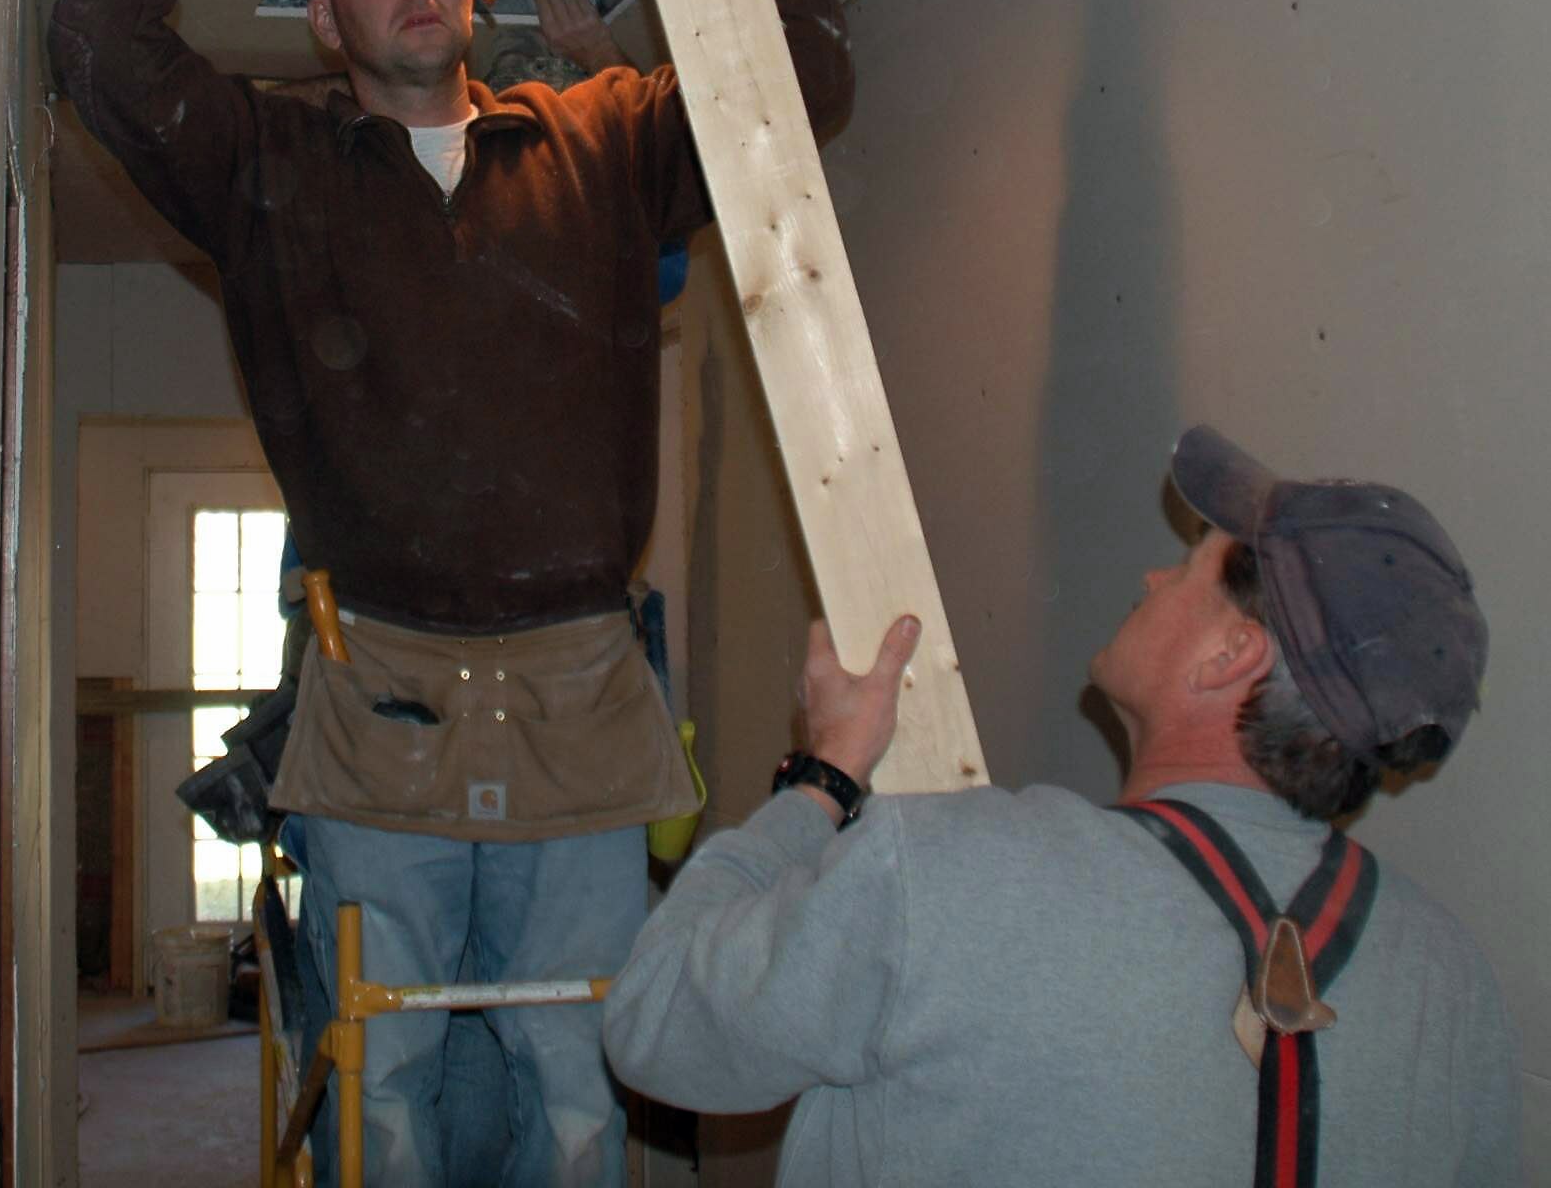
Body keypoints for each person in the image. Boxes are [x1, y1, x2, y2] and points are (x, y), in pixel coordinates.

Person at [49, 0, 853, 1187]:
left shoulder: (601, 141)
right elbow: (102, 54)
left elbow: (796, 94)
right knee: (387, 1070)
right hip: (381, 689)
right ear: (323, 25)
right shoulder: (270, 166)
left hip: (585, 683)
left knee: (582, 1066)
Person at [603, 424, 1521, 1185]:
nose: (1155, 581)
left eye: (1190, 566)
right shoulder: (1452, 986)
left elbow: (657, 1024)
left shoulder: (949, 875)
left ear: (1230, 657)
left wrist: (825, 776)